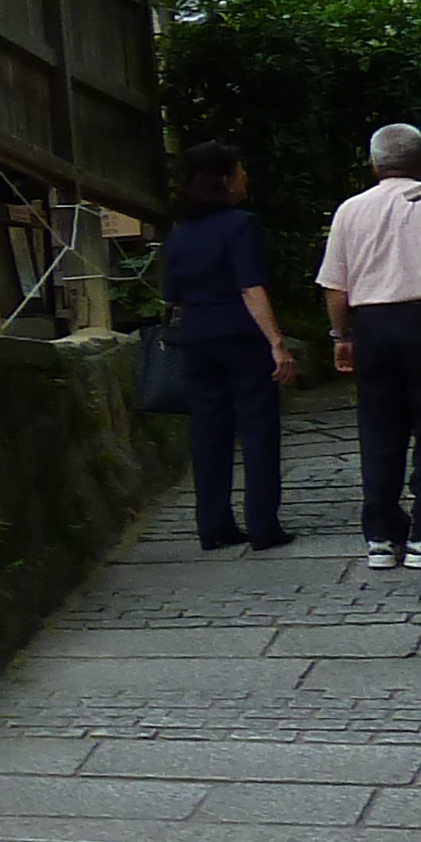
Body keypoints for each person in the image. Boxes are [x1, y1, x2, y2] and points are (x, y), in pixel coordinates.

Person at [319, 123, 421, 570]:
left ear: (374, 164)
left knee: (379, 430)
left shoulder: (350, 209)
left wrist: (340, 335)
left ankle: (382, 537)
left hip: (372, 325)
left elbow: (334, 284)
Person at [160, 138, 297, 555]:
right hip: (240, 334)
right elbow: (251, 286)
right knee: (257, 427)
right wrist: (277, 342)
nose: (244, 178)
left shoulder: (179, 235)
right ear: (225, 179)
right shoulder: (242, 224)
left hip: (196, 337)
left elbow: (171, 295)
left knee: (208, 430)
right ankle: (262, 522)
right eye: (239, 170)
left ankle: (213, 522)